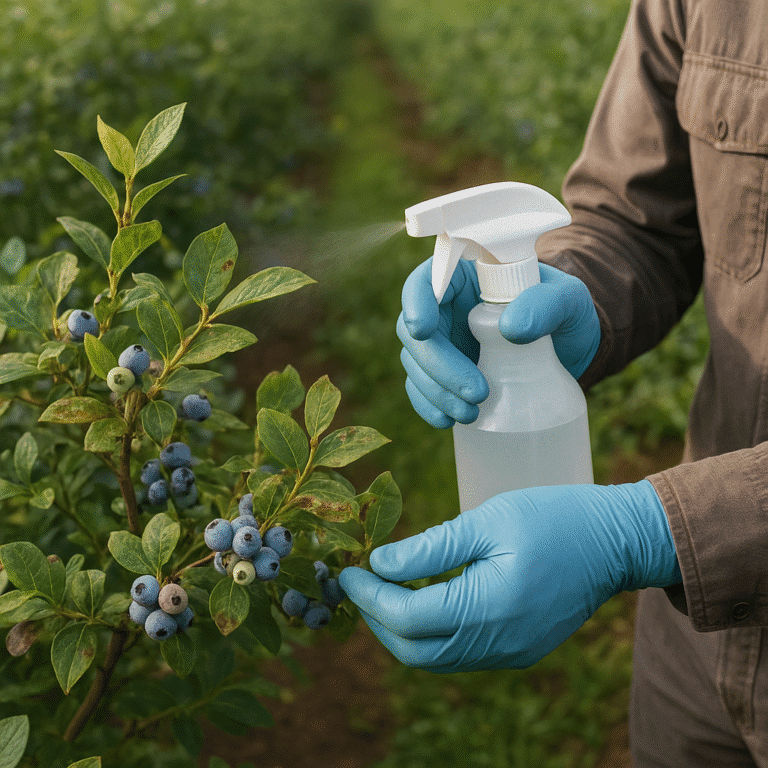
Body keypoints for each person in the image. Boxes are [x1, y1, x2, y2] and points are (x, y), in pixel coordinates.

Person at [337, 0, 768, 764]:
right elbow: (636, 217)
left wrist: (654, 533)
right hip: (696, 633)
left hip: (694, 551)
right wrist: (576, 291)